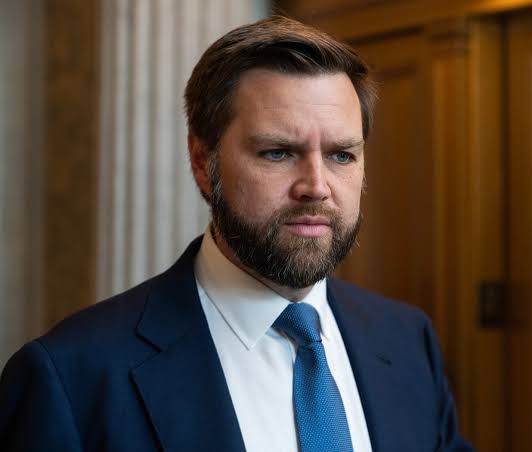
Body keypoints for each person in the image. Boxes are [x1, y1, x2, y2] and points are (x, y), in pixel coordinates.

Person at [0, 16, 473, 452]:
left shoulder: (407, 341)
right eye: (277, 152)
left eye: (341, 155)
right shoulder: (70, 377)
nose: (316, 186)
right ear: (201, 162)